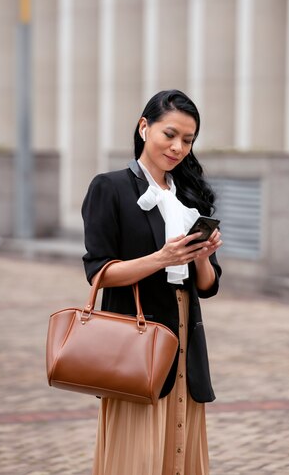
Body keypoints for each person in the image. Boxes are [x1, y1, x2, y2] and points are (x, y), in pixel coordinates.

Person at [82, 89, 222, 475]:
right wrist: (162, 258)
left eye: (188, 140)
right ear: (144, 127)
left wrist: (203, 255)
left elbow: (207, 286)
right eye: (170, 134)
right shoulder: (109, 188)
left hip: (185, 344)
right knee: (135, 459)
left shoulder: (188, 197)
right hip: (134, 343)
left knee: (180, 457)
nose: (178, 147)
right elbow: (100, 273)